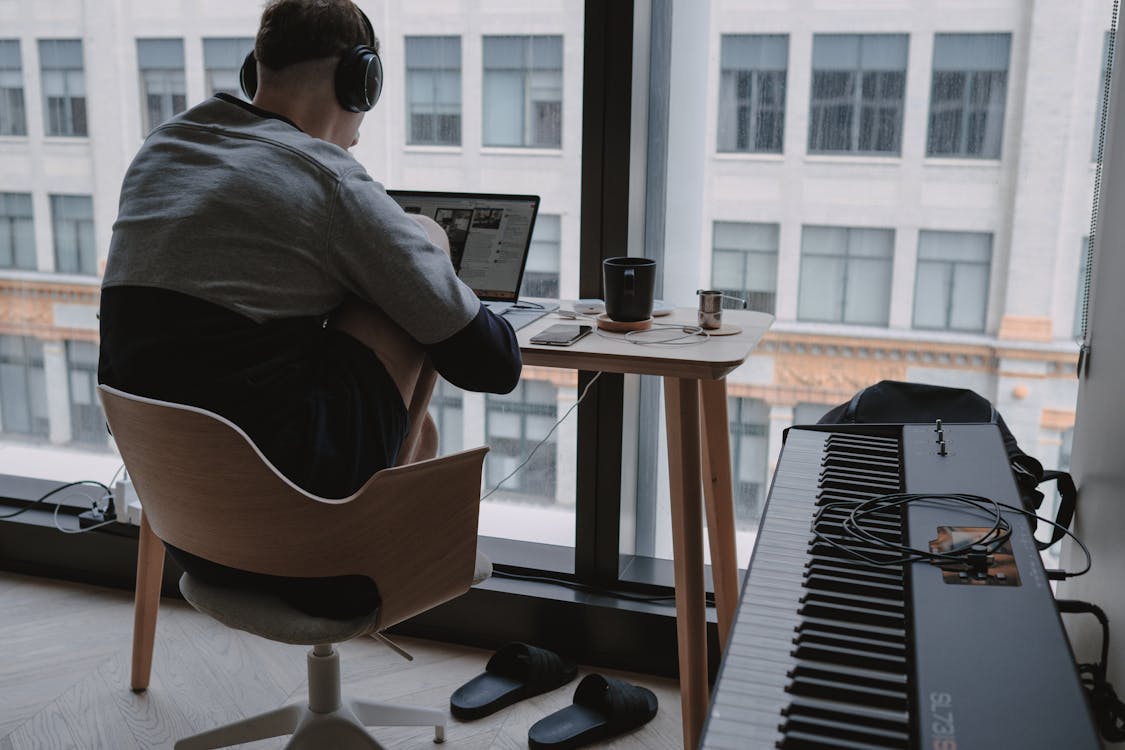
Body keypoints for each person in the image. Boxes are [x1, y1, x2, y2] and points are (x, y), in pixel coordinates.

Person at [97, 0, 522, 618]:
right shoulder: (331, 181)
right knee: (419, 242)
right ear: (361, 79)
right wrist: (421, 254)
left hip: (191, 534)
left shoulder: (161, 151)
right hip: (312, 549)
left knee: (370, 331)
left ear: (255, 71)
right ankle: (376, 529)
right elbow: (491, 365)